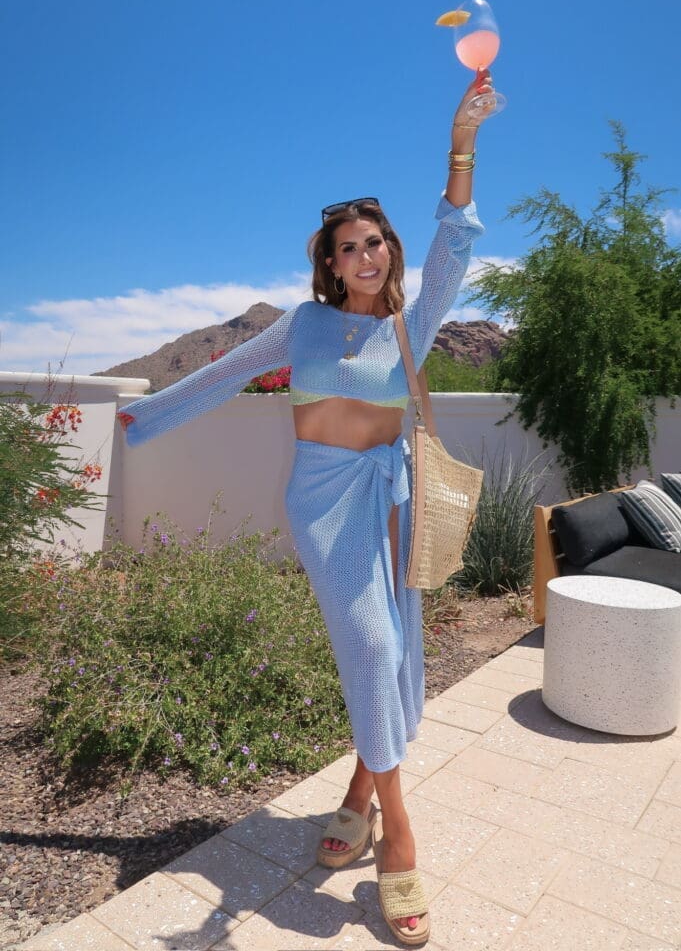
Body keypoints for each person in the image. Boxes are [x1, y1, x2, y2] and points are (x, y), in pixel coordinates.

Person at [118, 68, 491, 947]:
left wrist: (462, 142)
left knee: (392, 651)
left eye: (377, 245)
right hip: (324, 504)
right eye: (350, 248)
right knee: (368, 644)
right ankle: (400, 836)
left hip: (391, 495)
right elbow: (227, 371)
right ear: (328, 262)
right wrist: (143, 416)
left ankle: (361, 797)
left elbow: (457, 242)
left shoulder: (414, 320)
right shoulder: (305, 324)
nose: (367, 257)